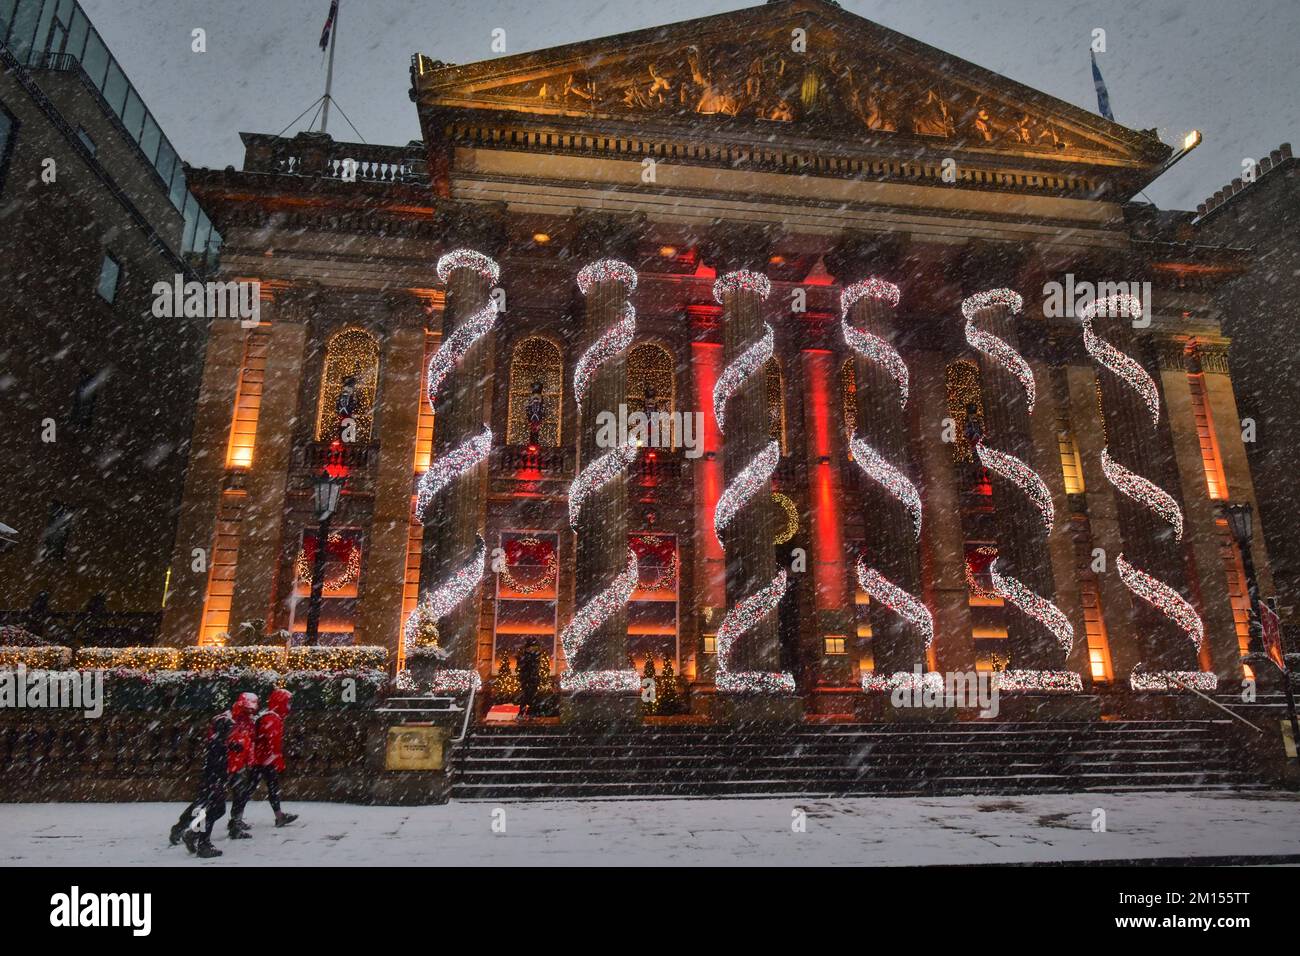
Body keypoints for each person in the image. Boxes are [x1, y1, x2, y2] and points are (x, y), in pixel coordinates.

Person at [169, 691, 258, 858]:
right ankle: (193, 835)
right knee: (209, 807)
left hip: (228, 771)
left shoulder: (238, 727)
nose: (250, 713)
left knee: (214, 805)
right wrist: (231, 752)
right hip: (221, 773)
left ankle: (197, 833)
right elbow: (219, 750)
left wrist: (241, 755)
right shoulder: (225, 722)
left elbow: (242, 743)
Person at [229, 688, 299, 832]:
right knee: (259, 789)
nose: (289, 706)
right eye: (287, 703)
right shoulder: (272, 718)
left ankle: (238, 818)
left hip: (261, 760)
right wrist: (275, 760)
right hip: (264, 761)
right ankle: (237, 819)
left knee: (257, 788)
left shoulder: (268, 716)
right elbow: (274, 743)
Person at [516, 638, 542, 719]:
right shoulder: (527, 656)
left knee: (530, 696)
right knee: (527, 696)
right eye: (533, 647)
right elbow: (521, 667)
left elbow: (534, 668)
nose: (534, 649)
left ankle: (529, 713)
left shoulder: (534, 656)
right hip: (528, 679)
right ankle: (524, 713)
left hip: (531, 679)